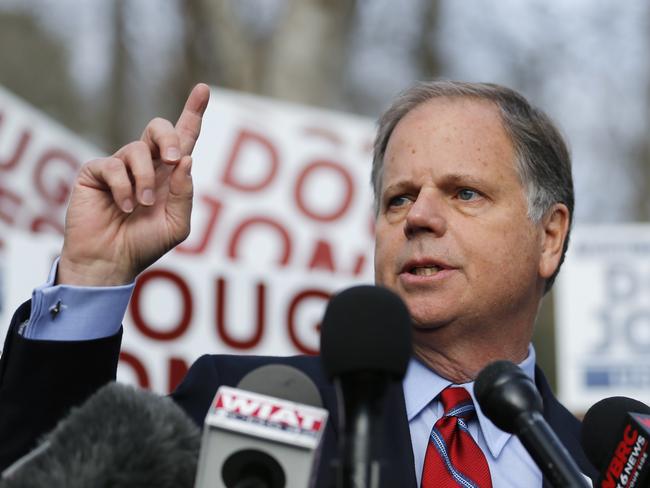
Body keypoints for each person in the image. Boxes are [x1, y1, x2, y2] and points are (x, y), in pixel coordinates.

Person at [0, 81, 596, 486]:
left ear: (549, 237)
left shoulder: (601, 461)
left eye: (465, 193)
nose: (418, 217)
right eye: (399, 198)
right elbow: (51, 471)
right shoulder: (249, 403)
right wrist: (93, 275)